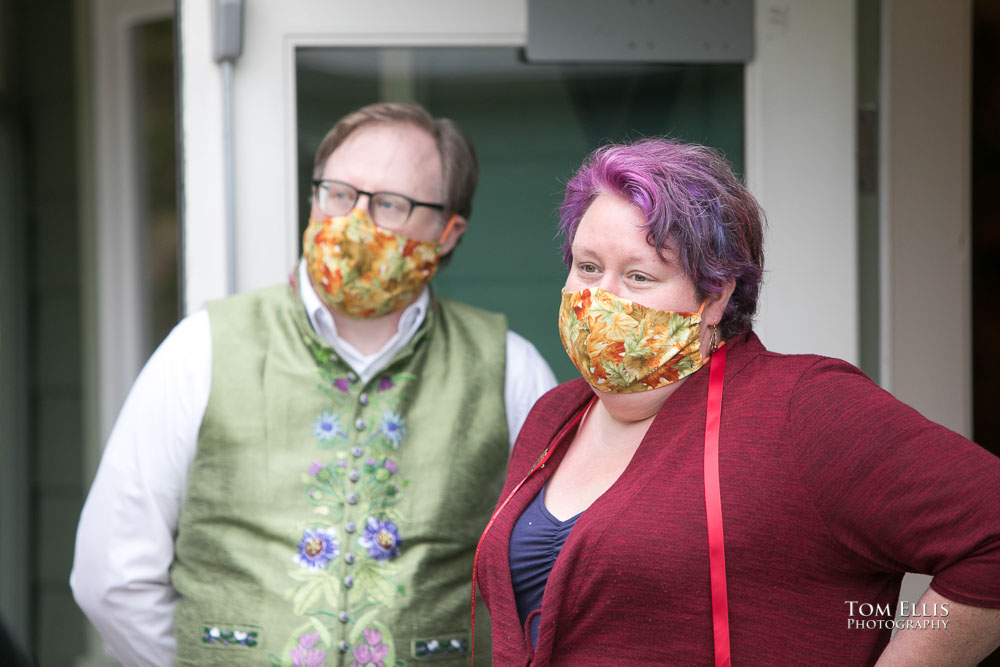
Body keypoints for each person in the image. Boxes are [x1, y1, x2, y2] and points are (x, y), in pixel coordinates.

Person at [474, 138, 1000, 666]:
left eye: (639, 276)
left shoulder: (800, 408)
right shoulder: (554, 415)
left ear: (716, 294)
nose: (602, 298)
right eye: (588, 268)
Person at [71, 102, 556, 666]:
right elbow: (112, 575)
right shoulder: (201, 348)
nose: (353, 221)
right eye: (338, 193)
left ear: (448, 233)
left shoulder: (510, 367)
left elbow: (543, 581)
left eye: (390, 204)